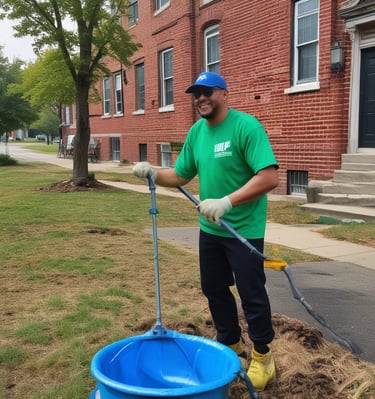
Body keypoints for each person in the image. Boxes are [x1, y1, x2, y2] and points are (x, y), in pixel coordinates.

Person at [133, 71, 279, 391]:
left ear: (224, 93)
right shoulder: (197, 132)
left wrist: (228, 201)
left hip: (243, 229)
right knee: (213, 288)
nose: (200, 98)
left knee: (251, 293)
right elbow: (181, 175)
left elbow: (269, 177)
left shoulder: (246, 127)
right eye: (196, 93)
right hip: (210, 229)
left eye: (207, 91)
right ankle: (230, 345)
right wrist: (154, 173)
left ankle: (263, 356)